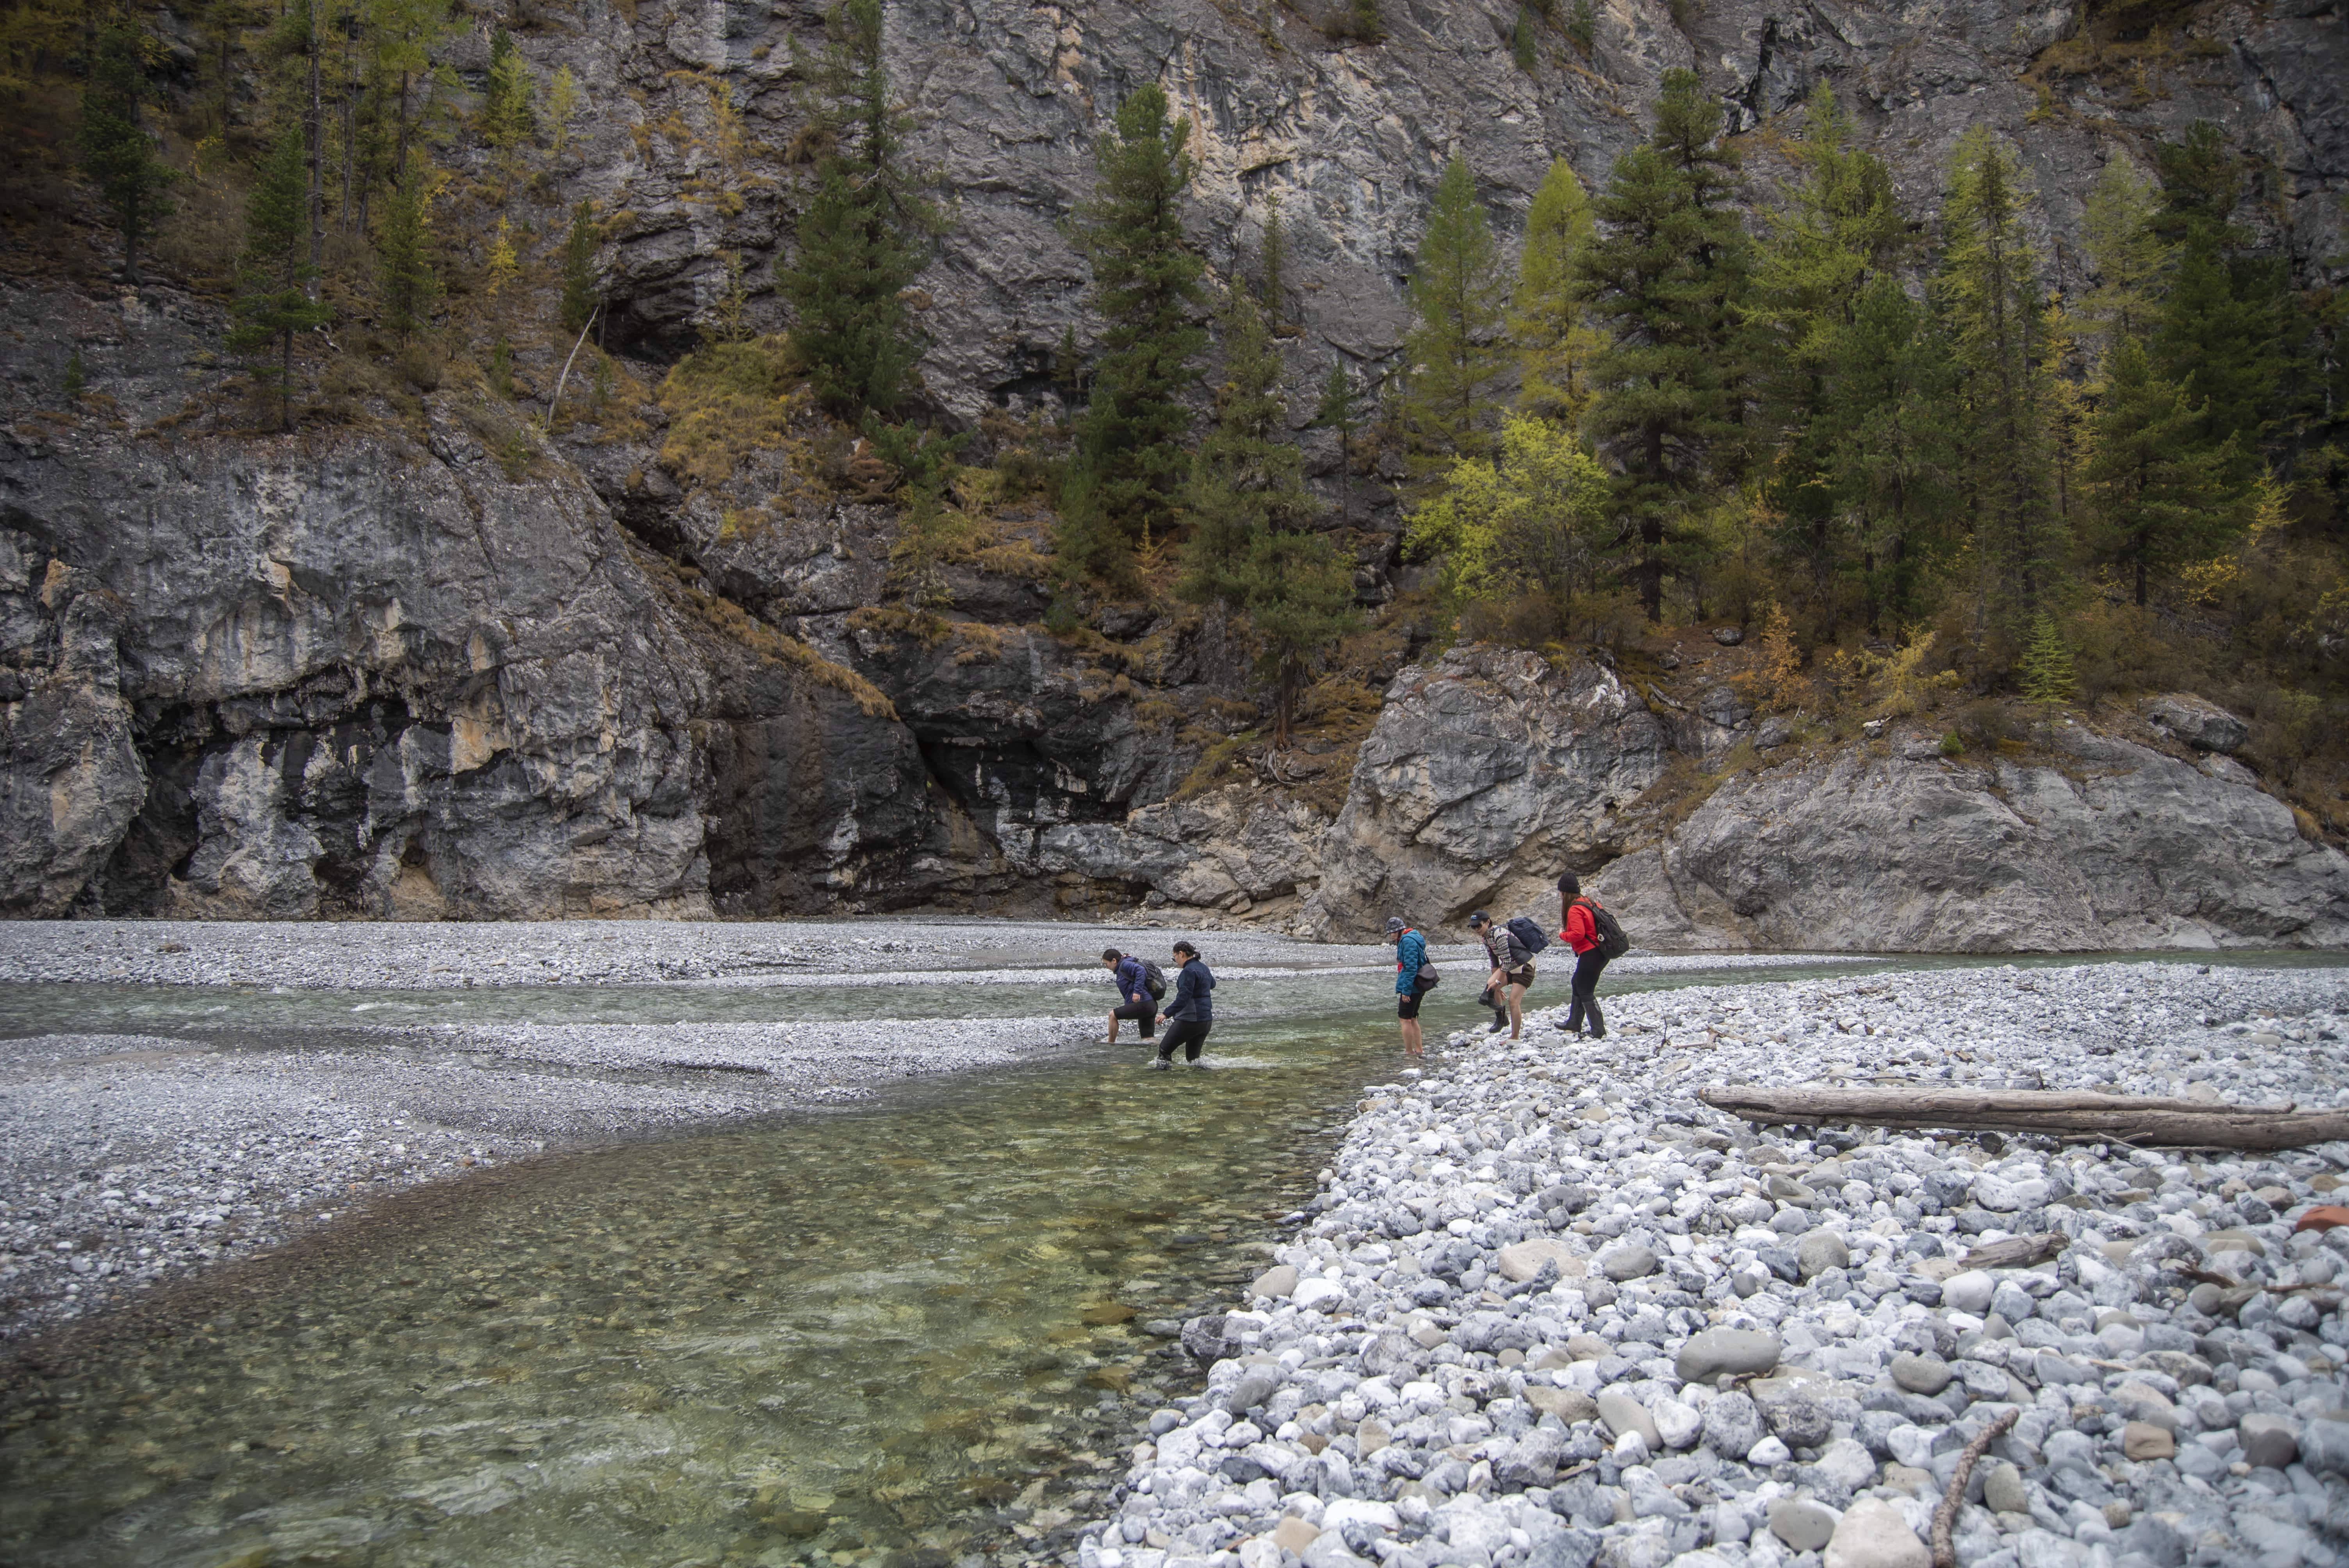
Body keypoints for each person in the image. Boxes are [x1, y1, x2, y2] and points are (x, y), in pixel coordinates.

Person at [1558, 871, 1610, 1040]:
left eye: (1561, 892)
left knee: (1586, 989)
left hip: (1591, 952)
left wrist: (1563, 935)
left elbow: (1578, 934)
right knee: (1577, 982)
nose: (1560, 895)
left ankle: (1598, 1030)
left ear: (1566, 892)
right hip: (1599, 952)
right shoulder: (1587, 902)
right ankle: (1574, 1022)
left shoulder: (1574, 909)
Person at [1468, 910, 1534, 1039]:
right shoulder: (1486, 938)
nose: (1476, 929)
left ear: (1488, 922)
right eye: (1474, 927)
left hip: (1524, 967)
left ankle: (1515, 1037)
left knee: (1513, 1001)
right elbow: (1495, 962)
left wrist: (1498, 982)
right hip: (1510, 966)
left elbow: (1508, 961)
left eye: (1479, 926)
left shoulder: (1499, 935)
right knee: (1489, 989)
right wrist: (1497, 986)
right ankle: (1501, 1018)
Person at [1152, 939, 1215, 1069]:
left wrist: (1166, 1014)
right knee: (1193, 1059)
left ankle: (1160, 1081)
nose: (1175, 962)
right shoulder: (1203, 967)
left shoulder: (1188, 972)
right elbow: (1213, 984)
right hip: (1206, 1021)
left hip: (1191, 1020)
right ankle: (1202, 1082)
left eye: (1174, 957)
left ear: (1181, 954)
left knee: (1164, 1050)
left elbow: (1183, 999)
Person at [1387, 916, 1433, 1057]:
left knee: (1405, 1018)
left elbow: (1411, 968)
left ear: (1398, 931)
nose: (1391, 936)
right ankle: (1419, 1050)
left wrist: (1406, 991)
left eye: (1392, 933)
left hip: (1412, 986)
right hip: (1419, 985)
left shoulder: (1407, 942)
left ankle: (1409, 1052)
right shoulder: (1413, 937)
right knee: (1413, 1017)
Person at [1101, 947, 1156, 1044]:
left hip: (1144, 1004)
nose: (1106, 967)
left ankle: (1110, 1045)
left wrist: (1137, 992)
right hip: (1150, 1006)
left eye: (1106, 964)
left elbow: (1141, 970)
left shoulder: (1125, 965)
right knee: (1148, 1041)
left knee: (1113, 1015)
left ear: (1114, 961)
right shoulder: (1122, 968)